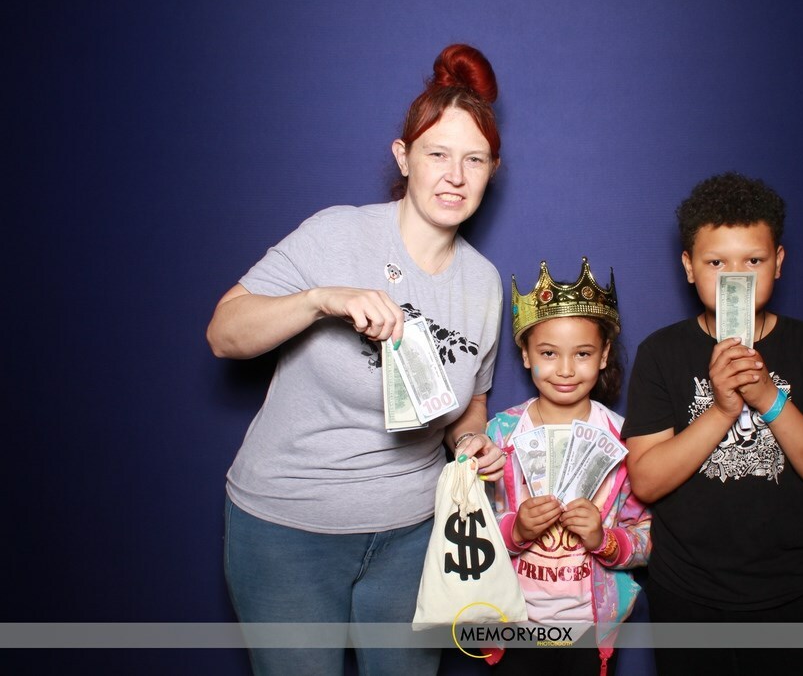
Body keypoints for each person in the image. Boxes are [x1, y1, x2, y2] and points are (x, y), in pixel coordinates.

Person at [206, 43, 507, 676]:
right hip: (289, 527)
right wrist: (318, 300)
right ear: (404, 157)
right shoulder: (336, 234)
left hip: (415, 533)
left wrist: (471, 443)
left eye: (474, 159)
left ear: (491, 170)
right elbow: (224, 335)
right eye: (438, 154)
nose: (455, 176)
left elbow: (469, 403)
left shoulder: (483, 283)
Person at [621, 172, 803, 676]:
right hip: (688, 594)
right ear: (689, 267)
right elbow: (646, 480)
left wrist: (768, 398)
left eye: (753, 261)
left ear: (779, 262)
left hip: (794, 593)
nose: (737, 277)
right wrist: (723, 410)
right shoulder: (661, 353)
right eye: (716, 262)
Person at [484, 258, 651, 676]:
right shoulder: (501, 433)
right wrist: (516, 531)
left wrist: (604, 540)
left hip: (589, 629)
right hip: (513, 624)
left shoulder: (623, 439)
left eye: (582, 354)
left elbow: (649, 536)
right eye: (548, 353)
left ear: (604, 355)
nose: (564, 369)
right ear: (526, 355)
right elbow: (470, 531)